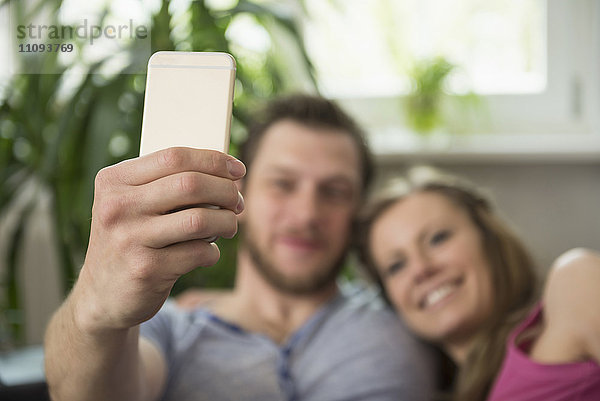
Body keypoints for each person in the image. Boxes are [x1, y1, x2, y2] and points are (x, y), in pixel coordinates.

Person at [44, 94, 435, 401]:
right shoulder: (168, 329)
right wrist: (97, 308)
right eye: (282, 184)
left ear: (358, 210)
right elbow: (85, 393)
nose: (306, 214)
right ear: (237, 192)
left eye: (334, 192)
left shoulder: (408, 309)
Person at [356, 173, 600, 401]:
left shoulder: (576, 286)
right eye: (396, 266)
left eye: (437, 239)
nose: (421, 270)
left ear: (489, 238)